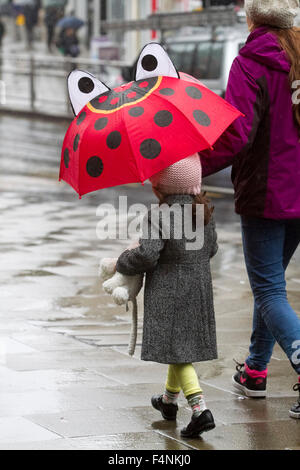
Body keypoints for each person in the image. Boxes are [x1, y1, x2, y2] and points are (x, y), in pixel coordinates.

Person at [199, 0, 300, 419]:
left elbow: (236, 134)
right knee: (270, 283)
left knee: (270, 289)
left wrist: (191, 167)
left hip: (267, 192)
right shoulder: (297, 55)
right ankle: (256, 371)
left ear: (252, 16)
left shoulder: (250, 62)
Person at [116, 154, 219, 438]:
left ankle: (199, 410)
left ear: (158, 187)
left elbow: (148, 255)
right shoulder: (205, 212)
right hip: (197, 289)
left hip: (169, 292)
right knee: (181, 345)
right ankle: (168, 402)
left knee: (179, 351)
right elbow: (211, 249)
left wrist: (122, 260)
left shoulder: (159, 215)